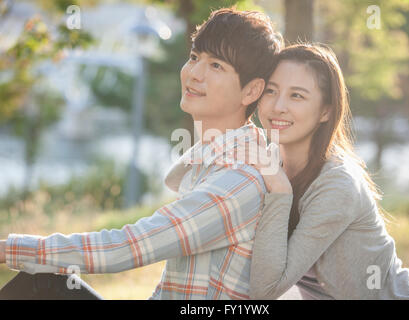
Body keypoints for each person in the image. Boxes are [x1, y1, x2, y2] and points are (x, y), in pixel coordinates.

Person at [0, 8, 284, 300]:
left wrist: (8, 248)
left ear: (251, 91)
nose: (194, 74)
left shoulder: (238, 180)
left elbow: (128, 247)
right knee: (45, 279)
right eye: (194, 57)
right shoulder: (216, 160)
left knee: (42, 283)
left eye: (216, 66)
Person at [243, 43, 409, 300]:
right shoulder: (268, 162)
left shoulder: (337, 183)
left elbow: (265, 292)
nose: (278, 106)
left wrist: (280, 190)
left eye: (297, 96)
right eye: (271, 91)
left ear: (326, 111)